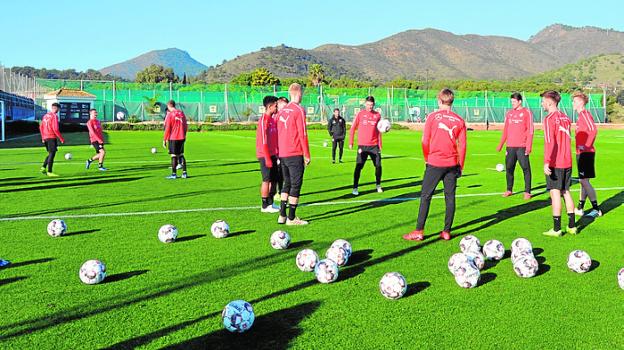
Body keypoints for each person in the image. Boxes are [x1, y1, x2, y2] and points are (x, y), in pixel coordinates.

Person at [403, 88, 466, 241]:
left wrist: (427, 158)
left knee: (426, 196)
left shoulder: (432, 117)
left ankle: (419, 231)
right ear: (452, 101)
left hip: (435, 162)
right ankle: (446, 231)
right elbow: (462, 146)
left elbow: (425, 141)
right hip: (452, 164)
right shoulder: (459, 120)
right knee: (450, 197)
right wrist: (460, 166)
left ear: (439, 101)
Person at [541, 90, 576, 237]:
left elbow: (550, 142)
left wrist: (547, 162)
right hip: (568, 160)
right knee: (566, 191)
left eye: (543, 101)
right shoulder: (566, 118)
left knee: (555, 193)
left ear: (550, 102)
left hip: (556, 162)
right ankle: (572, 226)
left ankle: (556, 229)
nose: (542, 103)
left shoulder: (549, 119)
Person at [276, 83, 310, 225]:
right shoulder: (299, 109)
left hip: (283, 154)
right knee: (296, 185)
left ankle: (282, 215)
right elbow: (303, 133)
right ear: (299, 93)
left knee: (287, 184)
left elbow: (278, 133)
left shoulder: (282, 111)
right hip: (295, 152)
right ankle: (291, 218)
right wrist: (307, 154)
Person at [496, 93, 534, 199]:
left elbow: (530, 130)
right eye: (511, 102)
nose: (512, 104)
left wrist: (528, 146)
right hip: (510, 146)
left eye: (514, 102)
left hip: (522, 147)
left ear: (520, 101)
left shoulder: (527, 112)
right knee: (509, 169)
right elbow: (506, 130)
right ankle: (509, 189)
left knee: (525, 169)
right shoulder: (509, 113)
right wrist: (500, 145)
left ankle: (527, 191)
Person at [572, 91, 601, 218]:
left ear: (581, 103)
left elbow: (593, 130)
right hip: (582, 153)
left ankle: (596, 209)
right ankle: (580, 208)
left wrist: (586, 146)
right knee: (583, 181)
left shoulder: (584, 115)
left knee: (584, 181)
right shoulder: (580, 116)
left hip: (586, 154)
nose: (573, 103)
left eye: (574, 101)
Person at [349, 96, 383, 195]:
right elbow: (352, 128)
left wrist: (380, 144)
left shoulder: (377, 115)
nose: (370, 107)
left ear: (374, 105)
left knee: (378, 166)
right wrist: (351, 142)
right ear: (365, 104)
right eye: (368, 105)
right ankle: (355, 187)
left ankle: (378, 185)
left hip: (374, 145)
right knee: (359, 166)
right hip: (362, 146)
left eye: (371, 105)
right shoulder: (360, 114)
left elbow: (379, 131)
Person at [256, 96, 280, 213]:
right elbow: (263, 141)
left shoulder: (272, 120)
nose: (277, 107)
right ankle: (264, 205)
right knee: (266, 180)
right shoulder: (263, 120)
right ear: (270, 106)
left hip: (273, 155)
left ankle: (271, 202)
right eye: (275, 105)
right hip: (265, 155)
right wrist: (267, 158)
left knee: (274, 180)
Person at [163, 100, 188, 179]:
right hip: (181, 137)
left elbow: (167, 128)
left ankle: (174, 174)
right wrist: (184, 135)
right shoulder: (181, 113)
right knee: (181, 155)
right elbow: (185, 126)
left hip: (173, 137)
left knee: (173, 155)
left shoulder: (170, 115)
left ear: (168, 106)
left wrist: (164, 139)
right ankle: (184, 173)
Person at [39, 103, 65, 177]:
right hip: (51, 137)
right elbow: (55, 129)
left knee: (50, 153)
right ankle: (49, 171)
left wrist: (43, 137)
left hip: (46, 137)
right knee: (52, 154)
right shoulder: (54, 116)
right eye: (59, 109)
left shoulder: (45, 116)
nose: (59, 110)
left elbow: (41, 127)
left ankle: (43, 167)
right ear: (56, 108)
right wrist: (61, 138)